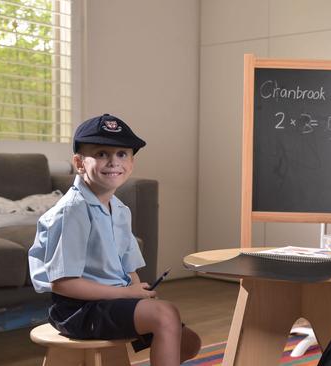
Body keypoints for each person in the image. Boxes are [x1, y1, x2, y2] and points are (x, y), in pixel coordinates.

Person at [28, 113, 201, 366]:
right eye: (101, 154)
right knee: (166, 315)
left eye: (122, 154)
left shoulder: (119, 210)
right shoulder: (73, 210)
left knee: (189, 342)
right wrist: (125, 294)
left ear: (131, 163)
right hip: (77, 309)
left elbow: (128, 268)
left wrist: (137, 293)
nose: (113, 162)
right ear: (79, 162)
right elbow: (63, 284)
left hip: (111, 302)